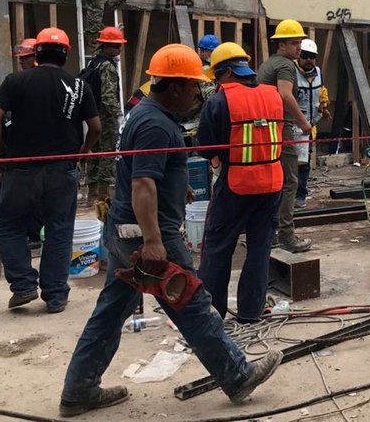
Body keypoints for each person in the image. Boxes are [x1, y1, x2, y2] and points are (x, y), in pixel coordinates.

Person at [59, 44, 281, 417]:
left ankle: (78, 390)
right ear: (175, 87)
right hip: (146, 234)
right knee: (193, 306)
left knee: (111, 312)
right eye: (193, 86)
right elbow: (143, 184)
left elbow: (149, 177)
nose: (198, 92)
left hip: (126, 228)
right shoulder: (156, 125)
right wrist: (153, 241)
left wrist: (178, 189)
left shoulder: (145, 116)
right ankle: (238, 375)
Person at [0, 28, 101, 313]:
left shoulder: (16, 81)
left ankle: (24, 286)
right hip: (63, 169)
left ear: (36, 53)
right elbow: (96, 127)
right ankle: (56, 295)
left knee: (10, 226)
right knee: (60, 229)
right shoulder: (78, 85)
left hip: (21, 168)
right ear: (66, 54)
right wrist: (85, 149)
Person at [197, 43, 284, 322]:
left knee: (218, 247)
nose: (217, 83)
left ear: (227, 73)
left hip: (236, 183)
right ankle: (251, 311)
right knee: (260, 248)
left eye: (217, 77)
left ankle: (212, 313)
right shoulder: (273, 96)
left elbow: (205, 148)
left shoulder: (220, 100)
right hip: (272, 183)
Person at [257, 19, 314, 252]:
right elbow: (285, 95)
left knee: (274, 183)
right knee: (290, 181)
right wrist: (305, 124)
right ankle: (287, 237)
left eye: (300, 42)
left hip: (267, 129)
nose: (299, 47)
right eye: (294, 43)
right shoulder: (286, 66)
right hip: (281, 128)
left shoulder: (269, 64)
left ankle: (267, 232)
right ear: (281, 45)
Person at [79, 26, 126, 211]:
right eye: (116, 47)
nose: (118, 50)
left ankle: (91, 194)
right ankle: (103, 196)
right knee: (107, 154)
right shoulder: (107, 66)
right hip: (105, 117)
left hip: (93, 115)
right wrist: (117, 117)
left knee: (95, 153)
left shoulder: (94, 62)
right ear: (106, 46)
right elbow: (108, 96)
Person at [294, 39, 330, 207]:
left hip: (309, 126)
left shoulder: (318, 72)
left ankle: (301, 194)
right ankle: (290, 194)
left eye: (312, 57)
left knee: (305, 162)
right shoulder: (291, 72)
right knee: (291, 162)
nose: (308, 60)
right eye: (305, 56)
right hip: (293, 126)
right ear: (299, 56)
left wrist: (324, 107)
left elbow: (320, 91)